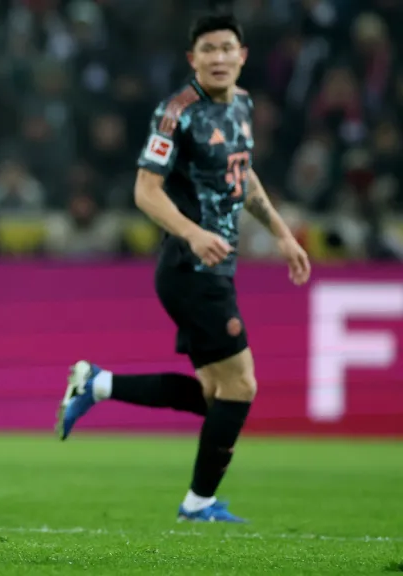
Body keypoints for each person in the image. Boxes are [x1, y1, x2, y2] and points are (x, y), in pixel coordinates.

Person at [57, 14, 310, 523]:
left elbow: (245, 175)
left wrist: (281, 233)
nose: (218, 58)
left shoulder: (241, 105)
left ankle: (97, 384)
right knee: (241, 387)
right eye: (208, 50)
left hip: (215, 266)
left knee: (218, 396)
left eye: (226, 49)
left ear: (242, 56)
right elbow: (144, 191)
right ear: (193, 59)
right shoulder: (176, 113)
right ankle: (197, 504)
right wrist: (194, 234)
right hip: (188, 266)